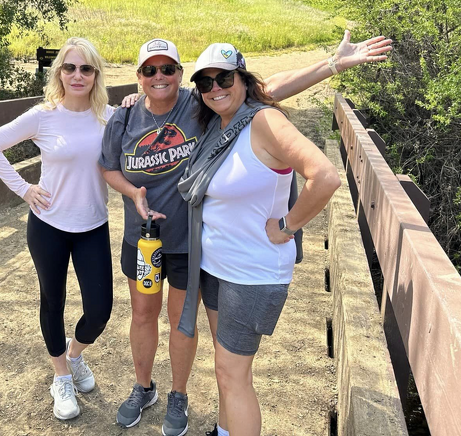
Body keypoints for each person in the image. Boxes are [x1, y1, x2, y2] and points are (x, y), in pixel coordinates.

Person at [99, 32, 392, 435]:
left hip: (211, 253)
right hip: (179, 250)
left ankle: (180, 397)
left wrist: (332, 64)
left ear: (181, 74)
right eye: (150, 70)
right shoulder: (154, 115)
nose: (159, 76)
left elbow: (275, 93)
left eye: (168, 69)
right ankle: (157, 394)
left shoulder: (214, 109)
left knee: (205, 344)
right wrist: (133, 191)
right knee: (180, 339)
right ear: (139, 76)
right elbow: (108, 166)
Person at [177, 43, 343, 436]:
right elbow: (277, 83)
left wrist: (288, 225)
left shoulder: (264, 122)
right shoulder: (218, 124)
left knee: (232, 374)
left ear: (244, 81)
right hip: (216, 266)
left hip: (251, 273)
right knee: (226, 366)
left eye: (224, 78)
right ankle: (223, 430)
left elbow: (325, 177)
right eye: (204, 82)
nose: (214, 88)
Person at [0, 37, 115, 421]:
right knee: (52, 302)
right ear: (59, 72)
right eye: (69, 68)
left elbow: (141, 133)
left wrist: (136, 103)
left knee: (100, 310)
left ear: (95, 75)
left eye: (86, 69)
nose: (77, 75)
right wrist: (24, 189)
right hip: (49, 225)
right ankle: (61, 377)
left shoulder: (109, 115)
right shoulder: (43, 115)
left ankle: (74, 356)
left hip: (93, 225)